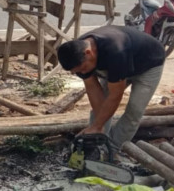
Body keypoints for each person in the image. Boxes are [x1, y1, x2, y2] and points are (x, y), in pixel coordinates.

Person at [57, 25, 165, 155]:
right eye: (77, 72)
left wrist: (97, 126)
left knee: (134, 110)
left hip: (149, 64)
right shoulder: (76, 54)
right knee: (100, 114)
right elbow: (93, 89)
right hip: (120, 64)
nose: (82, 72)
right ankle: (97, 149)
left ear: (88, 53)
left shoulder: (115, 50)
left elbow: (115, 95)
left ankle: (112, 150)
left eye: (82, 68)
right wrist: (97, 127)